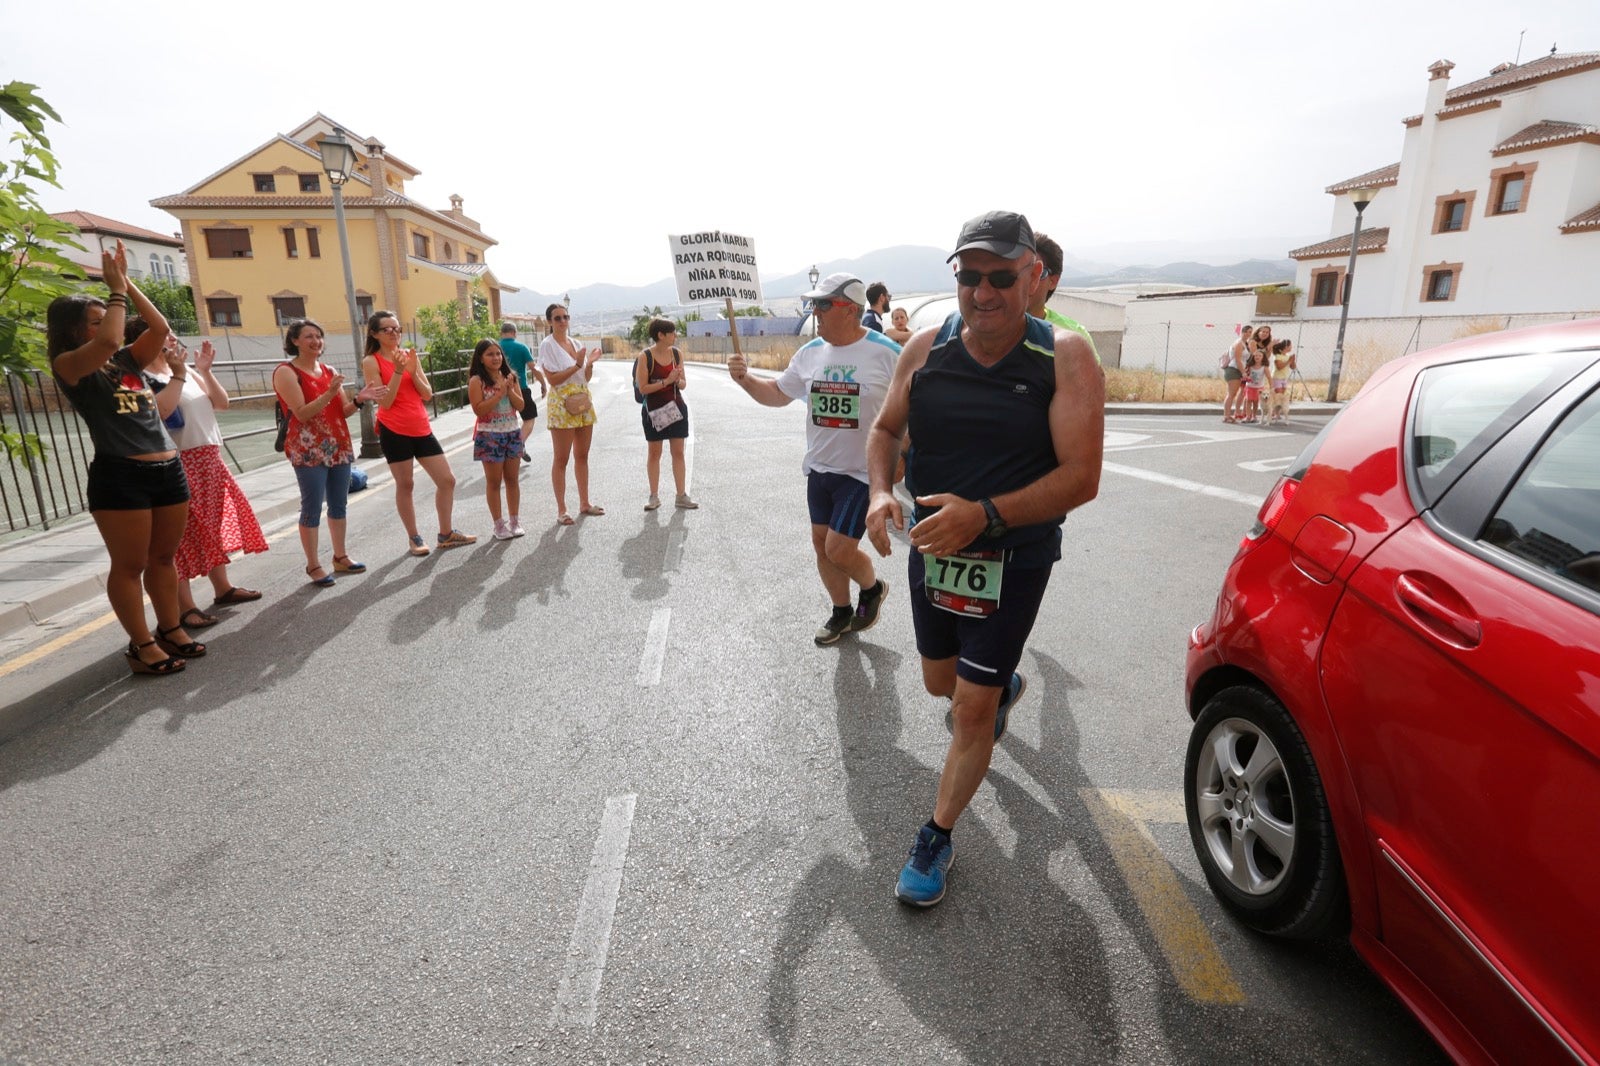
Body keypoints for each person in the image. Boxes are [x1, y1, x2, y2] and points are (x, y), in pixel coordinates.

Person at [864, 210, 1104, 907]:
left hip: (1014, 556)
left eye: (1002, 276)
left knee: (969, 712)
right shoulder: (926, 349)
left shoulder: (1064, 356)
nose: (984, 291)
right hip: (934, 550)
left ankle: (935, 837)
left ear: (1034, 277)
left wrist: (987, 515)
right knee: (942, 686)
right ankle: (996, 687)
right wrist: (881, 493)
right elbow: (884, 429)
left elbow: (1081, 476)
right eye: (971, 276)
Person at [46, 242, 202, 675]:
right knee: (130, 565)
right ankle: (141, 644)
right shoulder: (71, 365)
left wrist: (126, 284)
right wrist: (113, 292)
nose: (106, 326)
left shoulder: (126, 361)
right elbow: (114, 335)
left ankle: (170, 628)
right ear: (75, 331)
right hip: (121, 475)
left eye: (105, 318)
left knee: (164, 559)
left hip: (168, 468)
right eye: (93, 322)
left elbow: (157, 325)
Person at [728, 272, 897, 646]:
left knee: (839, 549)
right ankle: (841, 612)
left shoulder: (887, 353)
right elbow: (777, 393)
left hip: (860, 473)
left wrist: (903, 459)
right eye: (814, 304)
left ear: (851, 311)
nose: (816, 312)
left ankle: (870, 588)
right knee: (822, 547)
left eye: (824, 304)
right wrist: (746, 380)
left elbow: (917, 406)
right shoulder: (810, 352)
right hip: (819, 470)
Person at [141, 333, 268, 626]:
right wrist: (179, 375)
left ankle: (222, 588)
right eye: (165, 336)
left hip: (208, 457)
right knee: (179, 536)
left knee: (212, 525)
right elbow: (162, 412)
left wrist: (205, 371)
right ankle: (185, 607)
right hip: (178, 459)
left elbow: (221, 403)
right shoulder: (142, 377)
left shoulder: (186, 372)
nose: (173, 340)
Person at [275, 319, 385, 585]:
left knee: (339, 504)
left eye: (319, 336)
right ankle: (313, 565)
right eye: (309, 336)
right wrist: (329, 391)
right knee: (311, 507)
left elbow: (342, 411)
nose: (316, 341)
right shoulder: (286, 372)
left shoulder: (329, 370)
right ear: (295, 341)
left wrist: (360, 399)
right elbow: (301, 413)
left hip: (337, 444)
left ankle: (340, 556)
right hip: (307, 448)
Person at [361, 311, 475, 555]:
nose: (394, 333)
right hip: (394, 429)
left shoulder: (409, 356)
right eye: (387, 329)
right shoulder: (371, 361)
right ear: (374, 333)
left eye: (397, 328)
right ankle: (414, 538)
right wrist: (400, 372)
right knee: (406, 484)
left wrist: (411, 370)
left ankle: (446, 534)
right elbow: (386, 402)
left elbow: (427, 394)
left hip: (420, 426)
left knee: (447, 480)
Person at [539, 302, 604, 525]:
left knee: (582, 455)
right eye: (557, 318)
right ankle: (562, 510)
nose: (563, 321)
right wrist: (577, 365)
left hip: (582, 399)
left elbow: (585, 378)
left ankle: (584, 503)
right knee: (561, 458)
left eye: (566, 317)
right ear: (549, 321)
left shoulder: (576, 343)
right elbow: (553, 380)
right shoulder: (547, 345)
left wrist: (590, 364)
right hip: (562, 402)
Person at [634, 317, 697, 511]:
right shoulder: (645, 357)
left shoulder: (677, 354)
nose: (675, 335)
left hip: (677, 409)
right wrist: (667, 380)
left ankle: (681, 495)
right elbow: (643, 388)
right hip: (654, 412)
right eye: (672, 332)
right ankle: (654, 497)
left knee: (678, 453)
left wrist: (677, 381)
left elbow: (684, 384)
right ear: (661, 335)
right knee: (655, 453)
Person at [467, 338, 526, 539]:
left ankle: (515, 521)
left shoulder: (511, 377)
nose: (496, 358)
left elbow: (521, 406)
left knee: (512, 479)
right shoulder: (477, 381)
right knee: (494, 482)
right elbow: (479, 410)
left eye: (498, 353)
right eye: (490, 354)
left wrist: (508, 389)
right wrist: (499, 394)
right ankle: (498, 525)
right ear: (481, 359)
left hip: (512, 432)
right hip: (489, 435)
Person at [1029, 233, 1100, 364]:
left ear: (1053, 281)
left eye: (1039, 273)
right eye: (1022, 271)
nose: (1028, 280)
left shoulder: (1074, 335)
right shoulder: (989, 326)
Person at [498, 321, 544, 463]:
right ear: (515, 333)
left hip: (499, 390)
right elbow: (533, 367)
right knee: (529, 419)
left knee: (504, 421)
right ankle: (518, 444)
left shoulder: (495, 347)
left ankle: (502, 450)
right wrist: (543, 384)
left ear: (501, 333)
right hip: (520, 389)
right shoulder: (521, 347)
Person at [1222, 325, 1249, 423]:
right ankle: (1226, 416)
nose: (1248, 334)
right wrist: (1243, 372)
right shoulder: (1239, 343)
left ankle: (1228, 415)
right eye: (1247, 331)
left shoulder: (1244, 343)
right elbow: (1238, 359)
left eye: (1250, 332)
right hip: (1234, 370)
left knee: (1232, 393)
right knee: (1231, 394)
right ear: (1243, 332)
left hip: (1236, 370)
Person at [1269, 338, 1296, 423]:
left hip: (1284, 378)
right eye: (1290, 345)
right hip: (1277, 378)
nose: (1291, 347)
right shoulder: (1277, 356)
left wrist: (1292, 361)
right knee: (1277, 396)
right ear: (1285, 347)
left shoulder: (1287, 356)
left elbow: (1293, 367)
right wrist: (1289, 361)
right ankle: (1273, 413)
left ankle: (1278, 413)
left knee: (1282, 397)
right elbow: (1279, 367)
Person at [1242, 345, 1270, 424]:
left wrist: (1272, 387)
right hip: (1250, 387)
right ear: (1253, 357)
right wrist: (1246, 377)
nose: (1257, 357)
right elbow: (1245, 374)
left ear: (1263, 357)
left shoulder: (1264, 367)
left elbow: (1269, 377)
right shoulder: (1250, 366)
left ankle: (1254, 416)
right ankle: (1248, 416)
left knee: (1256, 402)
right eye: (1256, 355)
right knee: (1248, 401)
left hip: (1259, 388)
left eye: (1260, 356)